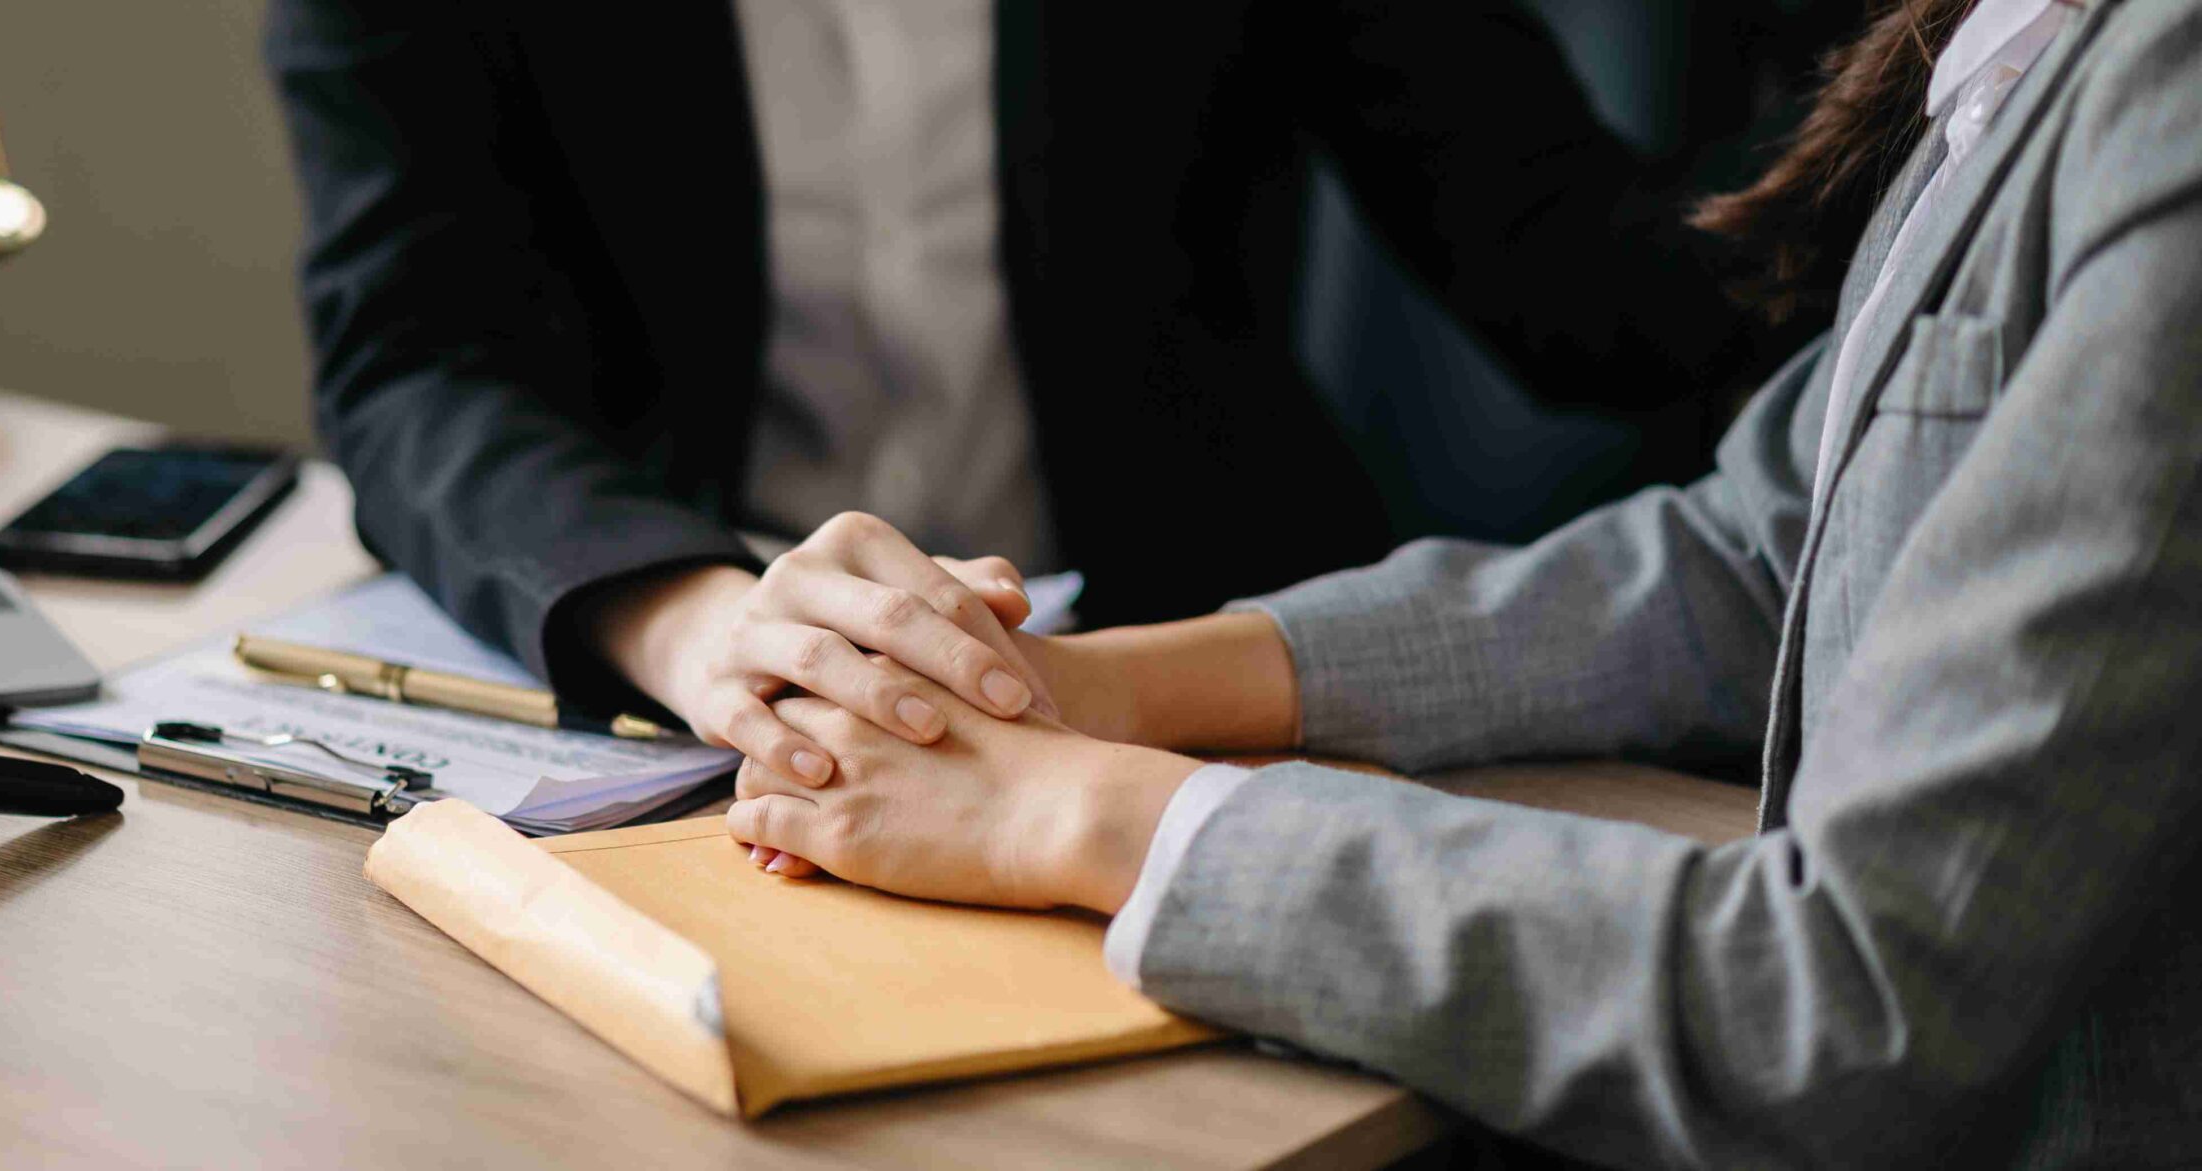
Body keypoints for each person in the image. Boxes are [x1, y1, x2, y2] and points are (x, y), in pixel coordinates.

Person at [722, 0, 2202, 1164]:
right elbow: (1754, 553)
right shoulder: (2031, 48)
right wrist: (1096, 686)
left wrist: (1075, 812)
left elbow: (1842, 1007)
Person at [265, 1, 1841, 793]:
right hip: (691, 713)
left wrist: (1953, 79)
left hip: (1182, 684)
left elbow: (1590, 282)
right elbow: (415, 354)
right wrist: (704, 628)